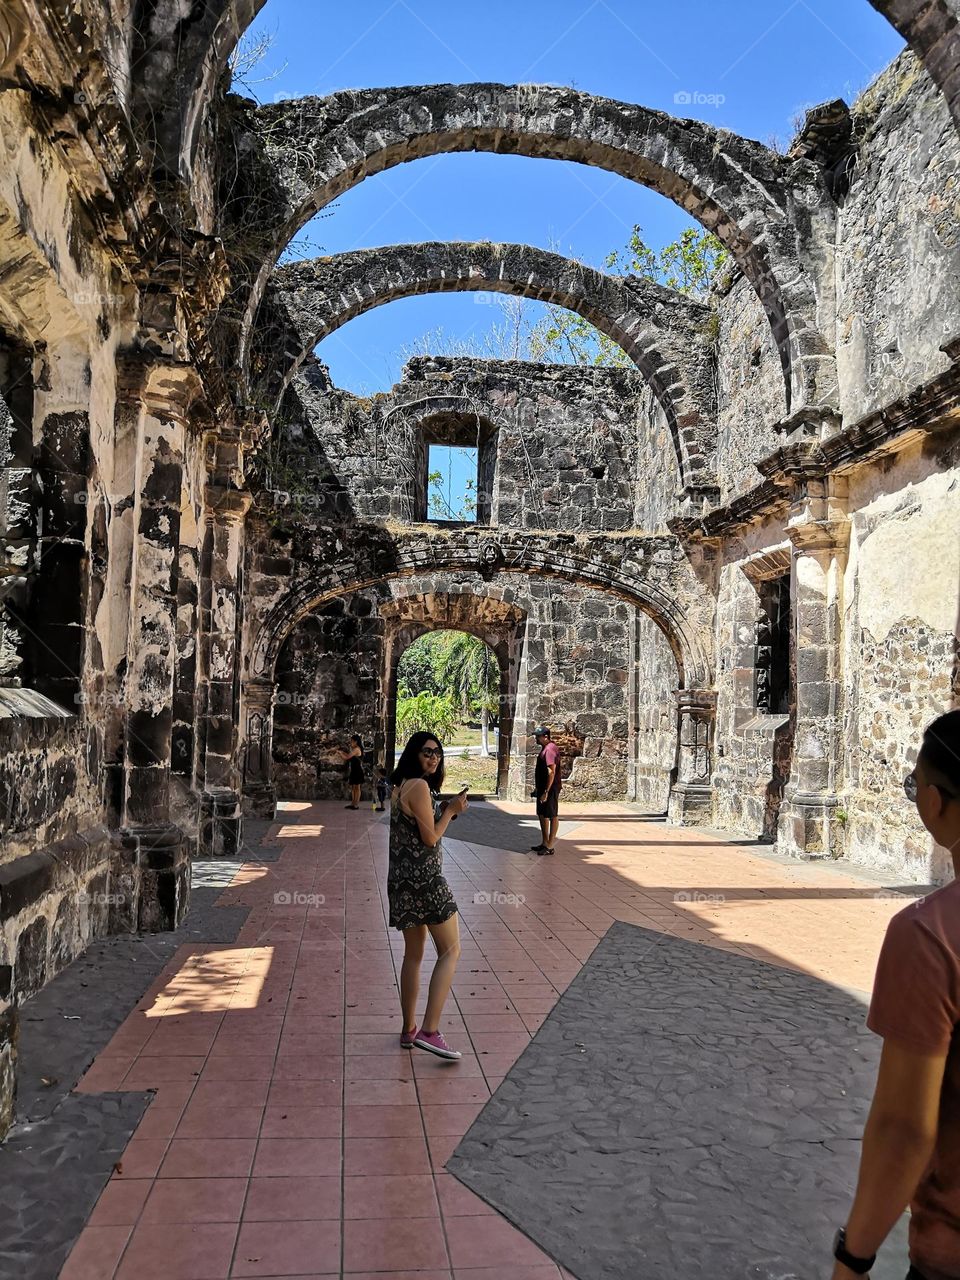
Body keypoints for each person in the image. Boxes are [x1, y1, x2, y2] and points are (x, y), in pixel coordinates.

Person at [832, 709, 960, 1280]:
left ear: (936, 803)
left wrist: (852, 1258)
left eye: (915, 785)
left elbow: (905, 1128)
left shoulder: (930, 934)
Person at [388, 731, 468, 1059]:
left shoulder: (399, 788)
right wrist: (450, 810)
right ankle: (430, 1030)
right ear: (413, 754)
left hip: (402, 883)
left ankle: (408, 1029)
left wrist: (446, 808)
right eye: (426, 752)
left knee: (413, 955)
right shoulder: (419, 787)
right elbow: (431, 838)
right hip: (426, 882)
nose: (433, 757)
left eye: (437, 752)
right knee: (451, 950)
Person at [529, 726, 561, 855]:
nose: (536, 738)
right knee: (542, 814)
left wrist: (546, 792)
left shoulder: (550, 749)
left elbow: (551, 772)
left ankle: (550, 845)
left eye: (538, 736)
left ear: (546, 737)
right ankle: (544, 842)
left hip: (550, 788)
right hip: (543, 787)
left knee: (551, 814)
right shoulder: (545, 748)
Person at [339, 734, 364, 810]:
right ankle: (353, 803)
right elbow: (349, 755)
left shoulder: (357, 749)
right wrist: (341, 752)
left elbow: (347, 757)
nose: (350, 743)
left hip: (358, 770)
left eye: (352, 741)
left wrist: (340, 753)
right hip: (354, 770)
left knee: (357, 787)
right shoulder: (354, 749)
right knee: (353, 787)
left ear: (356, 742)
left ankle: (356, 804)